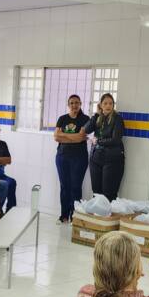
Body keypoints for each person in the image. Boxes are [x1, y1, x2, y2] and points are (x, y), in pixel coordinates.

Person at [53, 95, 91, 223]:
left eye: (76, 103)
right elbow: (56, 137)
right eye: (72, 103)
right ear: (68, 104)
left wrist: (63, 135)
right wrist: (74, 137)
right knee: (65, 186)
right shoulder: (62, 118)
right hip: (62, 157)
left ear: (80, 104)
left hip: (79, 158)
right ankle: (64, 215)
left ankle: (74, 216)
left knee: (76, 187)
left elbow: (81, 137)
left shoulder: (85, 119)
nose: (74, 105)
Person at [83, 93, 126, 201]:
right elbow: (86, 129)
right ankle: (98, 212)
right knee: (96, 192)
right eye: (105, 103)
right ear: (100, 105)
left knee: (108, 194)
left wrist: (98, 141)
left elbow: (115, 140)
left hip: (112, 160)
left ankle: (108, 212)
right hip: (96, 159)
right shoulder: (98, 118)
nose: (108, 106)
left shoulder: (117, 119)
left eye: (110, 103)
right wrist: (96, 114)